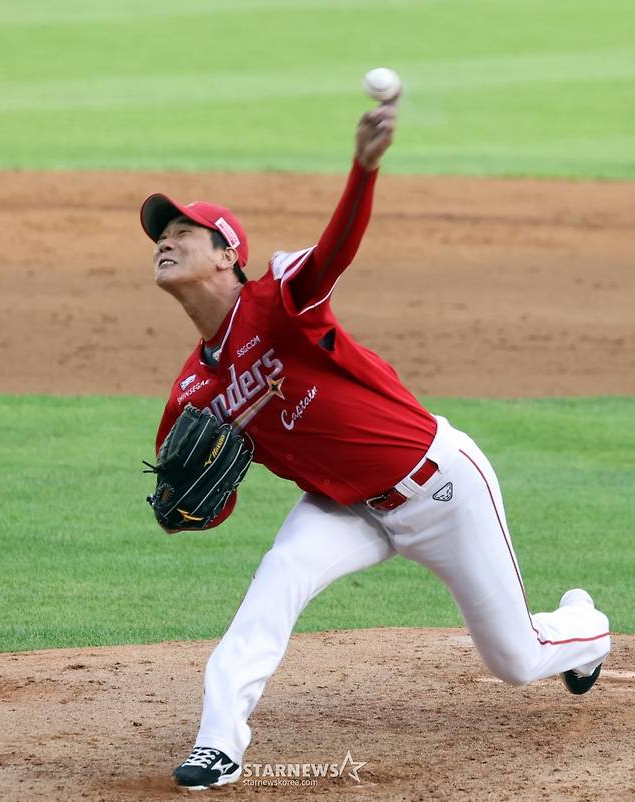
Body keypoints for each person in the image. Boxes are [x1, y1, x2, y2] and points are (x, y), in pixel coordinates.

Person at [139, 100, 610, 792]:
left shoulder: (277, 300)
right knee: (277, 579)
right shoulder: (190, 390)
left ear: (227, 253)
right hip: (342, 509)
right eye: (161, 233)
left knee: (514, 658)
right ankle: (219, 744)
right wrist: (181, 511)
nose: (165, 240)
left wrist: (364, 166)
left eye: (184, 230)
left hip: (441, 487)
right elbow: (195, 502)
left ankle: (583, 626)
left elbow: (334, 252)